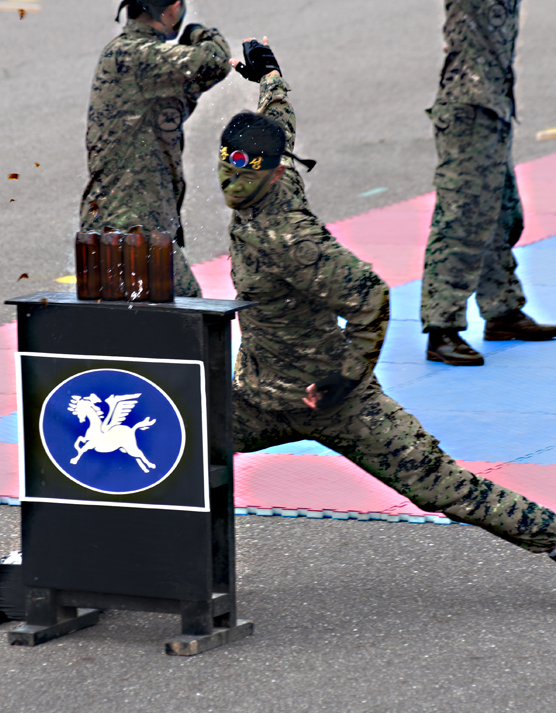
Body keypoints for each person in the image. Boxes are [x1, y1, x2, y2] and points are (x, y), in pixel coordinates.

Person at [223, 36, 556, 560]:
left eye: (247, 172)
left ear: (277, 173)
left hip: (337, 401)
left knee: (445, 488)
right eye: (228, 166)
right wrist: (270, 78)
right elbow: (278, 123)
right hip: (259, 401)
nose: (233, 182)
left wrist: (346, 377)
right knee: (168, 444)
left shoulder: (292, 237)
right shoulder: (269, 179)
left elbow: (371, 295)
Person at [387, 0, 555, 365]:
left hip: (495, 108)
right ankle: (442, 327)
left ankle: (502, 309)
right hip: (468, 109)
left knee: (501, 213)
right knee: (462, 216)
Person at [79, 0, 231, 296]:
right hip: (132, 228)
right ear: (174, 8)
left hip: (125, 226)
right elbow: (215, 61)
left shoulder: (135, 59)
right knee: (192, 314)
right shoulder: (138, 57)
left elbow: (184, 91)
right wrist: (199, 33)